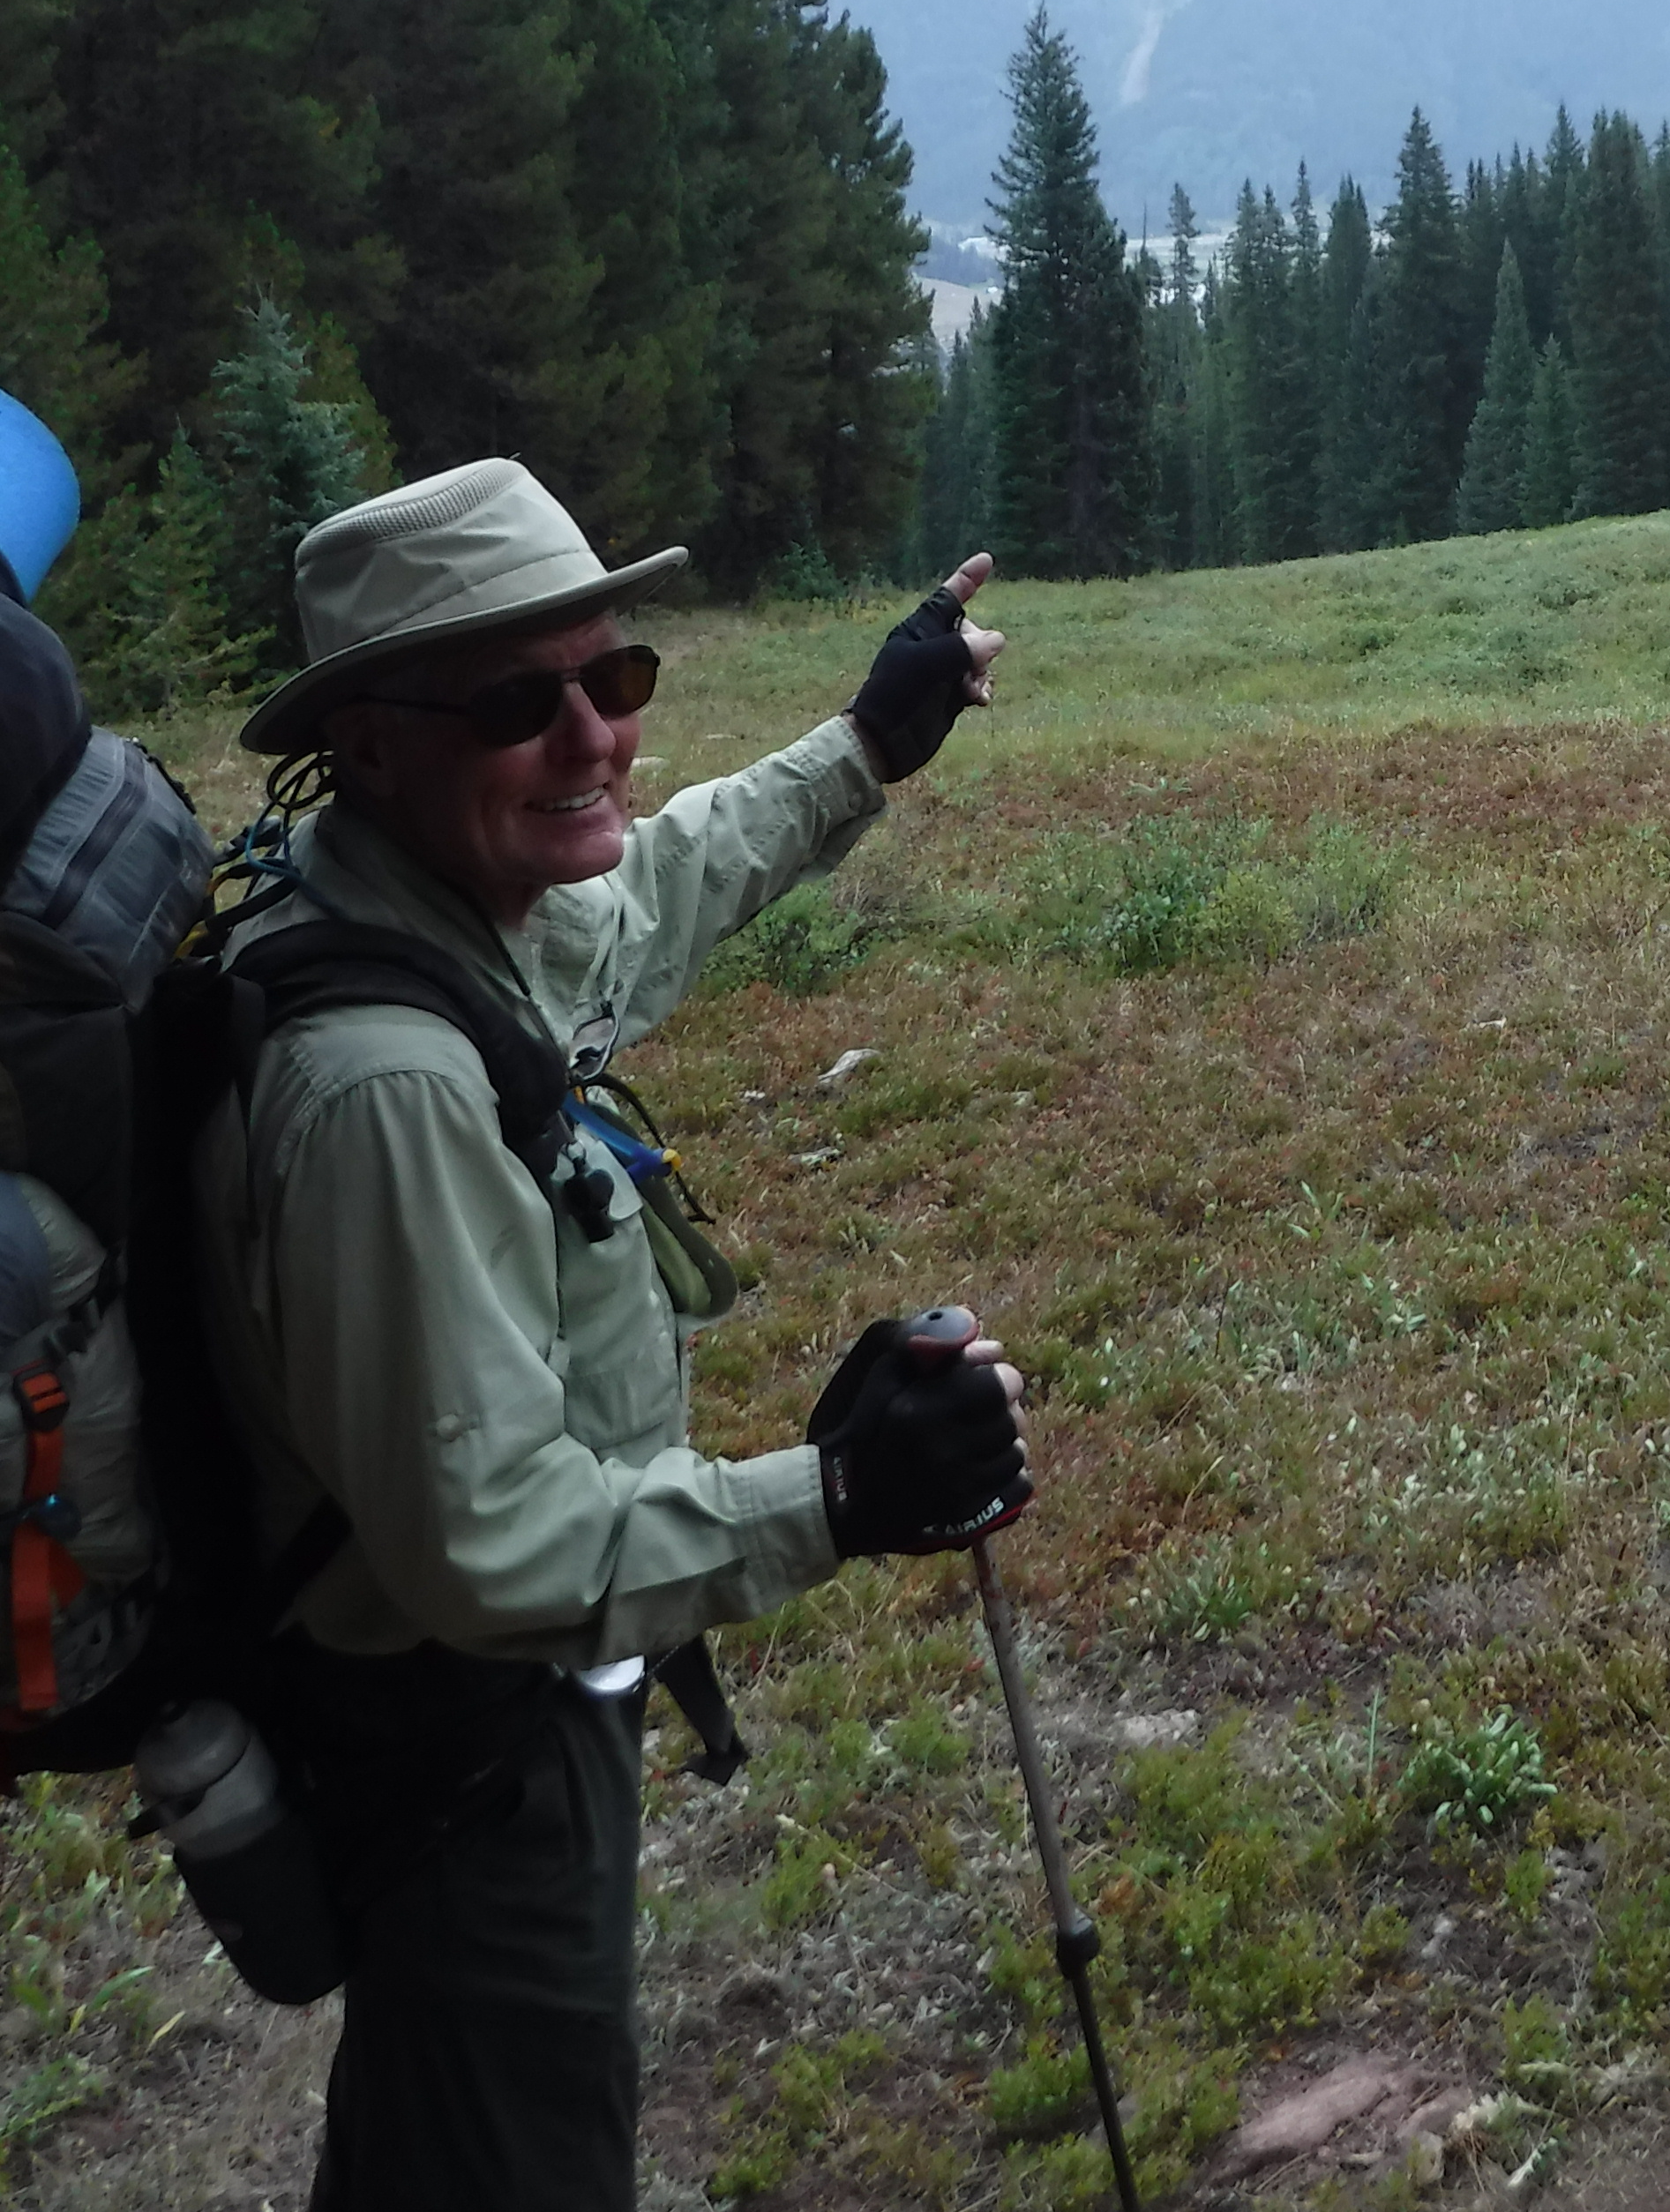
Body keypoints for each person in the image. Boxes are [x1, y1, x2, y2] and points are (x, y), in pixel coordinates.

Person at [194, 458, 1038, 2207]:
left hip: (495, 1722)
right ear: (369, 741)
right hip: (462, 1754)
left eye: (615, 678)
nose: (594, 736)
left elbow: (644, 897)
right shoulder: (383, 1099)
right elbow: (495, 1548)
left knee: (446, 2133)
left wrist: (867, 746)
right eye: (521, 699)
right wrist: (838, 1492)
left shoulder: (427, 914)